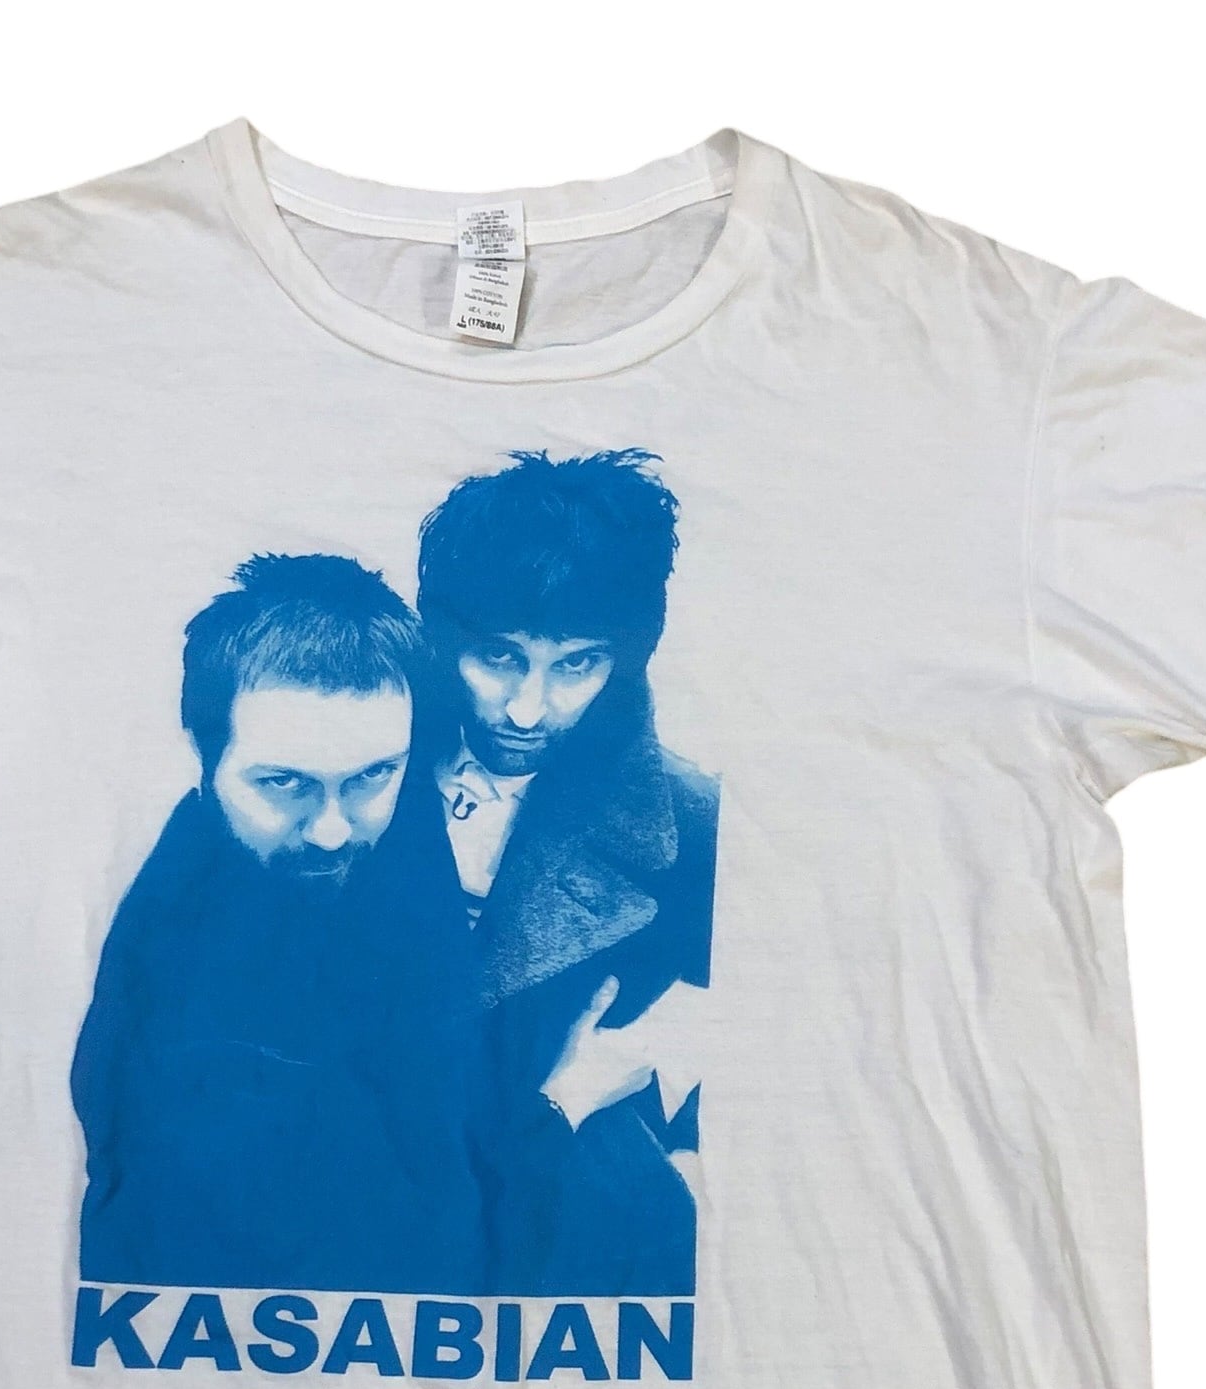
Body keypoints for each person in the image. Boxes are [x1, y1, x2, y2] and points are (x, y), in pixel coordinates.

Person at [71, 553, 473, 1295]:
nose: (331, 831)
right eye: (285, 783)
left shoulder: (397, 815)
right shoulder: (174, 992)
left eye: (372, 776)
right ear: (202, 756)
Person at [416, 449, 720, 1297]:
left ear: (625, 657)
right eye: (498, 657)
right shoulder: (338, 766)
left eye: (575, 664)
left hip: (571, 1254)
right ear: (444, 636)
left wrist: (593, 1092)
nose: (527, 707)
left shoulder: (695, 823)